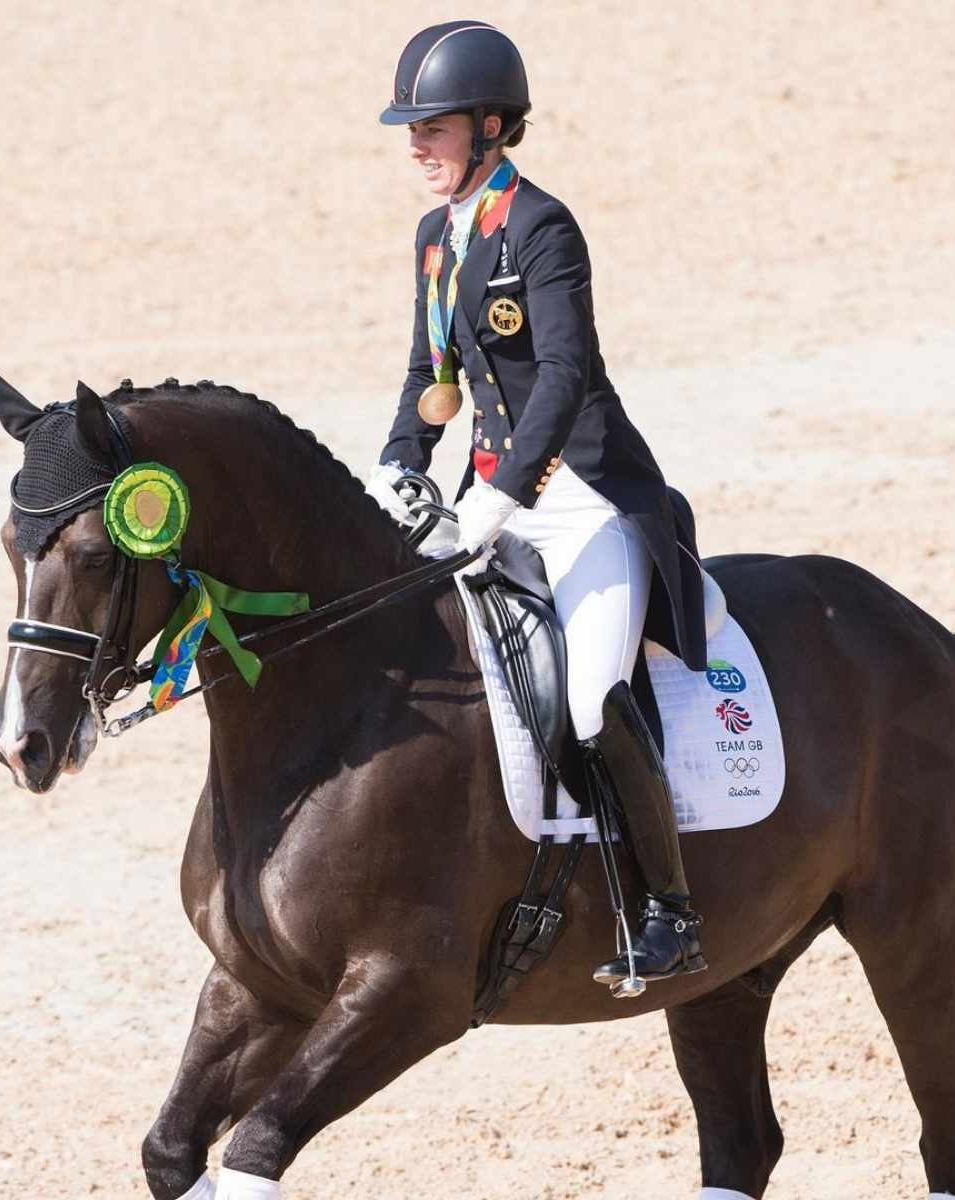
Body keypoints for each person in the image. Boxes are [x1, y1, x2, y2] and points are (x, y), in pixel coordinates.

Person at [365, 20, 709, 987]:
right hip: (490, 492)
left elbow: (562, 377)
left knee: (594, 702)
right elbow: (427, 372)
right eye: (413, 129)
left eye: (431, 127)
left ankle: (669, 911)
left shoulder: (542, 227)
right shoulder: (439, 237)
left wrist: (500, 496)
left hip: (586, 499)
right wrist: (401, 456)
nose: (415, 144)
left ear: (489, 127)